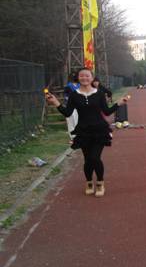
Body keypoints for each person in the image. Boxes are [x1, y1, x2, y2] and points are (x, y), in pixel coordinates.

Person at [45, 68, 130, 197]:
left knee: (95, 158)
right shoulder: (74, 95)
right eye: (81, 76)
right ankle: (89, 182)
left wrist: (119, 103)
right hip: (83, 131)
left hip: (99, 130)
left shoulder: (99, 93)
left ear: (92, 78)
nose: (84, 78)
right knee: (88, 160)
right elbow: (67, 113)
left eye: (87, 76)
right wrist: (55, 102)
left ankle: (100, 183)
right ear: (78, 78)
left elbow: (106, 112)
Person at [63, 72, 80, 141]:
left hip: (79, 106)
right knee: (71, 121)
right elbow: (65, 95)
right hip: (70, 106)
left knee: (78, 121)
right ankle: (73, 137)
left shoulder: (80, 85)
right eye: (72, 77)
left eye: (75, 76)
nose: (74, 78)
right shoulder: (68, 86)